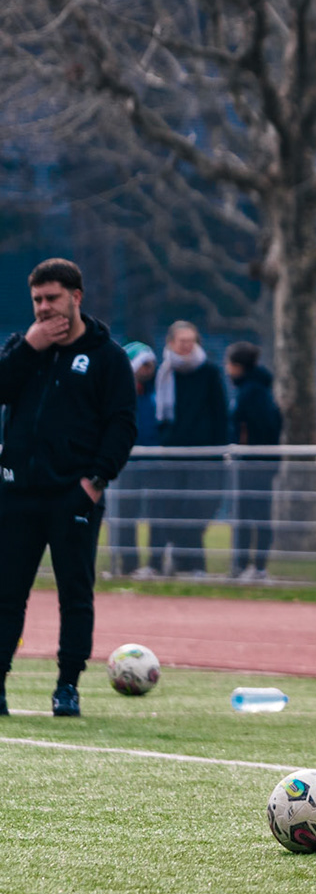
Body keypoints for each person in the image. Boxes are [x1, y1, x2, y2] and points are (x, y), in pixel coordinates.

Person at [0, 259, 137, 717]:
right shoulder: (22, 348)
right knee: (6, 592)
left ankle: (67, 686)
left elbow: (122, 425)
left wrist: (94, 482)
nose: (43, 308)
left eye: (52, 298)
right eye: (37, 299)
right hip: (17, 493)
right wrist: (29, 349)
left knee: (74, 594)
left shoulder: (108, 357)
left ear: (76, 297)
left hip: (72, 496)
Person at [153, 320, 228, 575]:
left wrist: (218, 450)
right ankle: (179, 562)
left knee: (195, 511)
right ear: (171, 343)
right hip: (172, 452)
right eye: (181, 341)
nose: (186, 346)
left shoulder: (209, 372)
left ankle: (194, 564)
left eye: (190, 341)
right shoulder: (164, 373)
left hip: (203, 453)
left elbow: (220, 414)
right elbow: (161, 416)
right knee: (171, 509)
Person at [225, 342, 282, 581]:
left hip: (254, 463)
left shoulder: (252, 392)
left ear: (238, 366)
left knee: (254, 516)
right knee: (250, 515)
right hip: (256, 462)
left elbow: (264, 425)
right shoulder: (255, 389)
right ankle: (246, 565)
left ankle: (255, 566)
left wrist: (244, 447)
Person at [111, 342, 160, 577]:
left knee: (157, 513)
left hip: (156, 461)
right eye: (143, 364)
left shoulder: (161, 389)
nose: (148, 369)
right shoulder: (119, 390)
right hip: (127, 461)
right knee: (125, 514)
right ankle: (128, 564)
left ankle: (155, 564)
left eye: (150, 364)